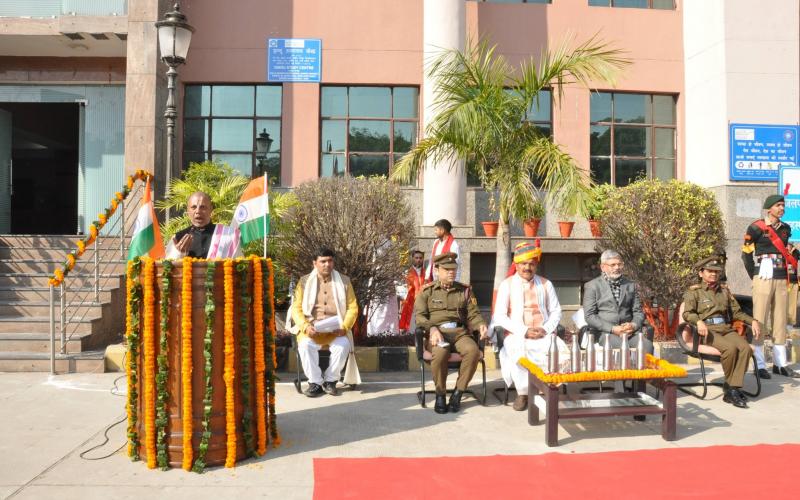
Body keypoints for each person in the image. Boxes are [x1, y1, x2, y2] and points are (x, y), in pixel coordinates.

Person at [491, 241, 564, 411]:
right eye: (523, 264)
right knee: (518, 352)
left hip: (543, 333)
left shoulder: (546, 284)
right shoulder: (507, 284)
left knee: (558, 350)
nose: (527, 268)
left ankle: (549, 389)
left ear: (536, 265)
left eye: (531, 264)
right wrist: (524, 331)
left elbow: (556, 311)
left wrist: (545, 329)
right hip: (517, 334)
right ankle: (523, 393)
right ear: (516, 265)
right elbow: (500, 315)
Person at [683, 256, 762, 408]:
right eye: (710, 271)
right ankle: (733, 389)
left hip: (725, 328)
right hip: (707, 331)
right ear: (701, 273)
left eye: (716, 271)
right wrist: (698, 321)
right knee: (730, 349)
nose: (714, 274)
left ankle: (731, 388)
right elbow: (687, 313)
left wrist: (753, 321)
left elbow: (737, 312)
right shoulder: (694, 292)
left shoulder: (724, 291)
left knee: (745, 348)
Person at [415, 252, 487, 414]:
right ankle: (440, 394)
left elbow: (473, 314)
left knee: (473, 351)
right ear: (437, 270)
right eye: (447, 269)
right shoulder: (427, 291)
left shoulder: (464, 290)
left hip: (460, 333)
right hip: (438, 333)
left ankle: (458, 393)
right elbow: (420, 317)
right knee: (440, 352)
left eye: (453, 269)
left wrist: (480, 324)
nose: (451, 272)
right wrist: (432, 328)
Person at [741, 194, 800, 378]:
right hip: (763, 277)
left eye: (783, 205)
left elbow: (787, 252)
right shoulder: (756, 227)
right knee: (759, 319)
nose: (782, 208)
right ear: (769, 208)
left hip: (782, 277)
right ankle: (760, 365)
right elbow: (746, 255)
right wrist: (755, 275)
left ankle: (780, 364)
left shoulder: (786, 228)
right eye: (778, 205)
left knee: (780, 320)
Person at [291, 248, 359, 397]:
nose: (327, 264)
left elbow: (352, 307)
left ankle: (330, 381)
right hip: (311, 329)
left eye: (330, 261)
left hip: (336, 330)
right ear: (314, 263)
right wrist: (305, 327)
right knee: (305, 345)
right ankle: (315, 383)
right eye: (323, 261)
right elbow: (296, 308)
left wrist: (344, 327)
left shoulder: (344, 281)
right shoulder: (304, 282)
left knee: (343, 345)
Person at [583, 249, 653, 356]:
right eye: (613, 265)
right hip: (605, 333)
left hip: (628, 333)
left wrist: (633, 325)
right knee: (622, 348)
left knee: (647, 346)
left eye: (620, 264)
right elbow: (589, 316)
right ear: (603, 267)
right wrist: (613, 329)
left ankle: (644, 368)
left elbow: (638, 312)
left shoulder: (630, 285)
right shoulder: (592, 286)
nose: (617, 267)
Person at [165, 191, 242, 259]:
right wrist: (178, 253)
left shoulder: (229, 235)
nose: (198, 211)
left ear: (211, 209)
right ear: (188, 210)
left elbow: (240, 265)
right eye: (194, 207)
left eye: (203, 207)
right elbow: (166, 267)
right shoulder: (178, 238)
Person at [399, 250, 425, 332]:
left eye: (420, 258)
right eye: (416, 258)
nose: (418, 260)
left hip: (424, 301)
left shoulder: (426, 272)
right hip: (411, 301)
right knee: (411, 326)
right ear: (412, 258)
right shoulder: (407, 272)